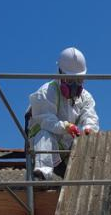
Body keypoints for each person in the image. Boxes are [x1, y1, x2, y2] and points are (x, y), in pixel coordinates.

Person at [27, 47, 100, 181]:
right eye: (70, 80)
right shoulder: (47, 92)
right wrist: (65, 126)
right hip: (47, 146)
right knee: (44, 133)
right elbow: (46, 121)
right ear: (60, 74)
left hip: (68, 147)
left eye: (79, 81)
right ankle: (42, 174)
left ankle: (84, 176)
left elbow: (90, 116)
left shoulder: (85, 97)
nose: (74, 86)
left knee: (89, 142)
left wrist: (88, 128)